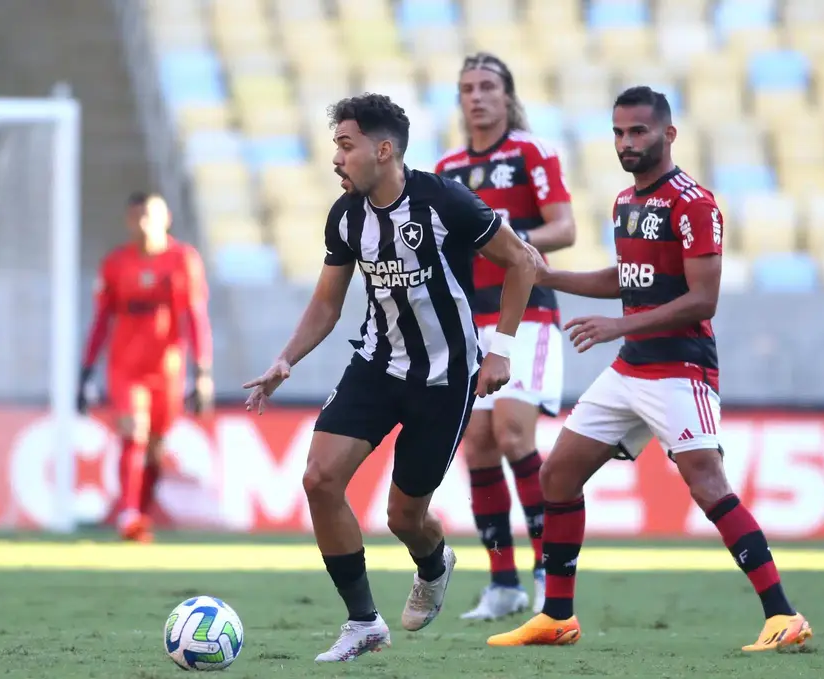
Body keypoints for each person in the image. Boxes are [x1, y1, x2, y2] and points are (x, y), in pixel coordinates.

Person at [487, 87, 813, 651]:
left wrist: (618, 326)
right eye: (618, 132)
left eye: (638, 131)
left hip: (680, 369)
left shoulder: (695, 203)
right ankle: (558, 615)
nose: (626, 142)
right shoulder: (625, 203)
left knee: (709, 486)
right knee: (557, 475)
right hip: (631, 369)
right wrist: (549, 277)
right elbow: (626, 279)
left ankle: (783, 615)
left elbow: (702, 300)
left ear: (668, 134)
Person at [242, 93, 540, 663]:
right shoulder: (346, 215)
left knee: (404, 516)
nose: (336, 158)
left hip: (446, 379)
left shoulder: (444, 200)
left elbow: (522, 261)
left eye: (345, 145)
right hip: (378, 364)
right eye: (335, 146)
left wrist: (500, 350)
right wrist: (287, 359)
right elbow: (328, 305)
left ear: (384, 150)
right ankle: (363, 622)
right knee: (319, 479)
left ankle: (433, 562)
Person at [435, 52, 576, 621]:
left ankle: (549, 572)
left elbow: (564, 227)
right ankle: (503, 582)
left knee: (515, 433)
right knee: (477, 445)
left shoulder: (530, 152)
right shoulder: (446, 168)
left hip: (528, 313)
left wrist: (503, 239)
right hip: (473, 318)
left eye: (487, 85)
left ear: (507, 94)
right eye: (467, 87)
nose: (476, 96)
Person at [78, 192, 214, 543]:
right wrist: (86, 368)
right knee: (132, 431)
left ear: (165, 218)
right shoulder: (115, 264)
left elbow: (195, 318)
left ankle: (138, 511)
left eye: (149, 216)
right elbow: (101, 320)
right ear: (128, 220)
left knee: (154, 446)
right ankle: (127, 514)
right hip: (125, 368)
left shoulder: (183, 260)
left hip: (167, 371)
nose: (143, 224)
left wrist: (202, 372)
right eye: (137, 216)